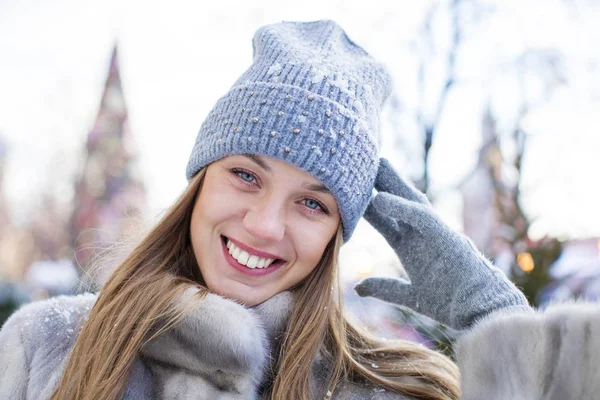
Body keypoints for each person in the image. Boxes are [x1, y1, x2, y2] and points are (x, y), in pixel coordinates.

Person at [3, 19, 591, 400]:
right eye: (245, 175)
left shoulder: (389, 392)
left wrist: (495, 319)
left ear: (339, 233)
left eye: (313, 202)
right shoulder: (46, 349)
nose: (264, 225)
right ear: (199, 181)